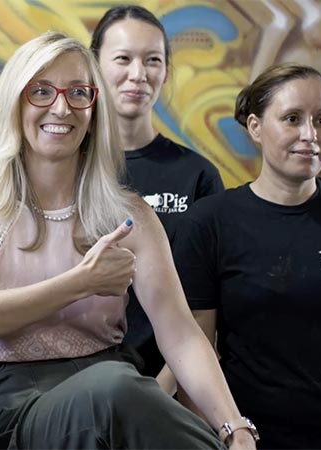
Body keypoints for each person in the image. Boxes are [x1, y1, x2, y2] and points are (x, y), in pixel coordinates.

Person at [0, 31, 257, 449]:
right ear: (15, 101)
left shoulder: (130, 215)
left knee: (119, 388)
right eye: (41, 91)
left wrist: (236, 427)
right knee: (117, 388)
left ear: (94, 109)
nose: (62, 107)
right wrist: (79, 283)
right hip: (8, 406)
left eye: (79, 92)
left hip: (115, 395)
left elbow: (180, 334)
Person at [172, 63, 321, 449]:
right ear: (256, 128)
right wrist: (217, 438)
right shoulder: (210, 222)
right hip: (252, 438)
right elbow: (191, 352)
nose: (310, 135)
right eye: (292, 119)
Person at [91, 5, 224, 383]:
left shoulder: (197, 176)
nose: (138, 74)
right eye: (122, 58)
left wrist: (159, 396)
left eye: (152, 60)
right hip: (76, 384)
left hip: (167, 383)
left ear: (166, 71)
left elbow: (204, 311)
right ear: (94, 65)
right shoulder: (67, 168)